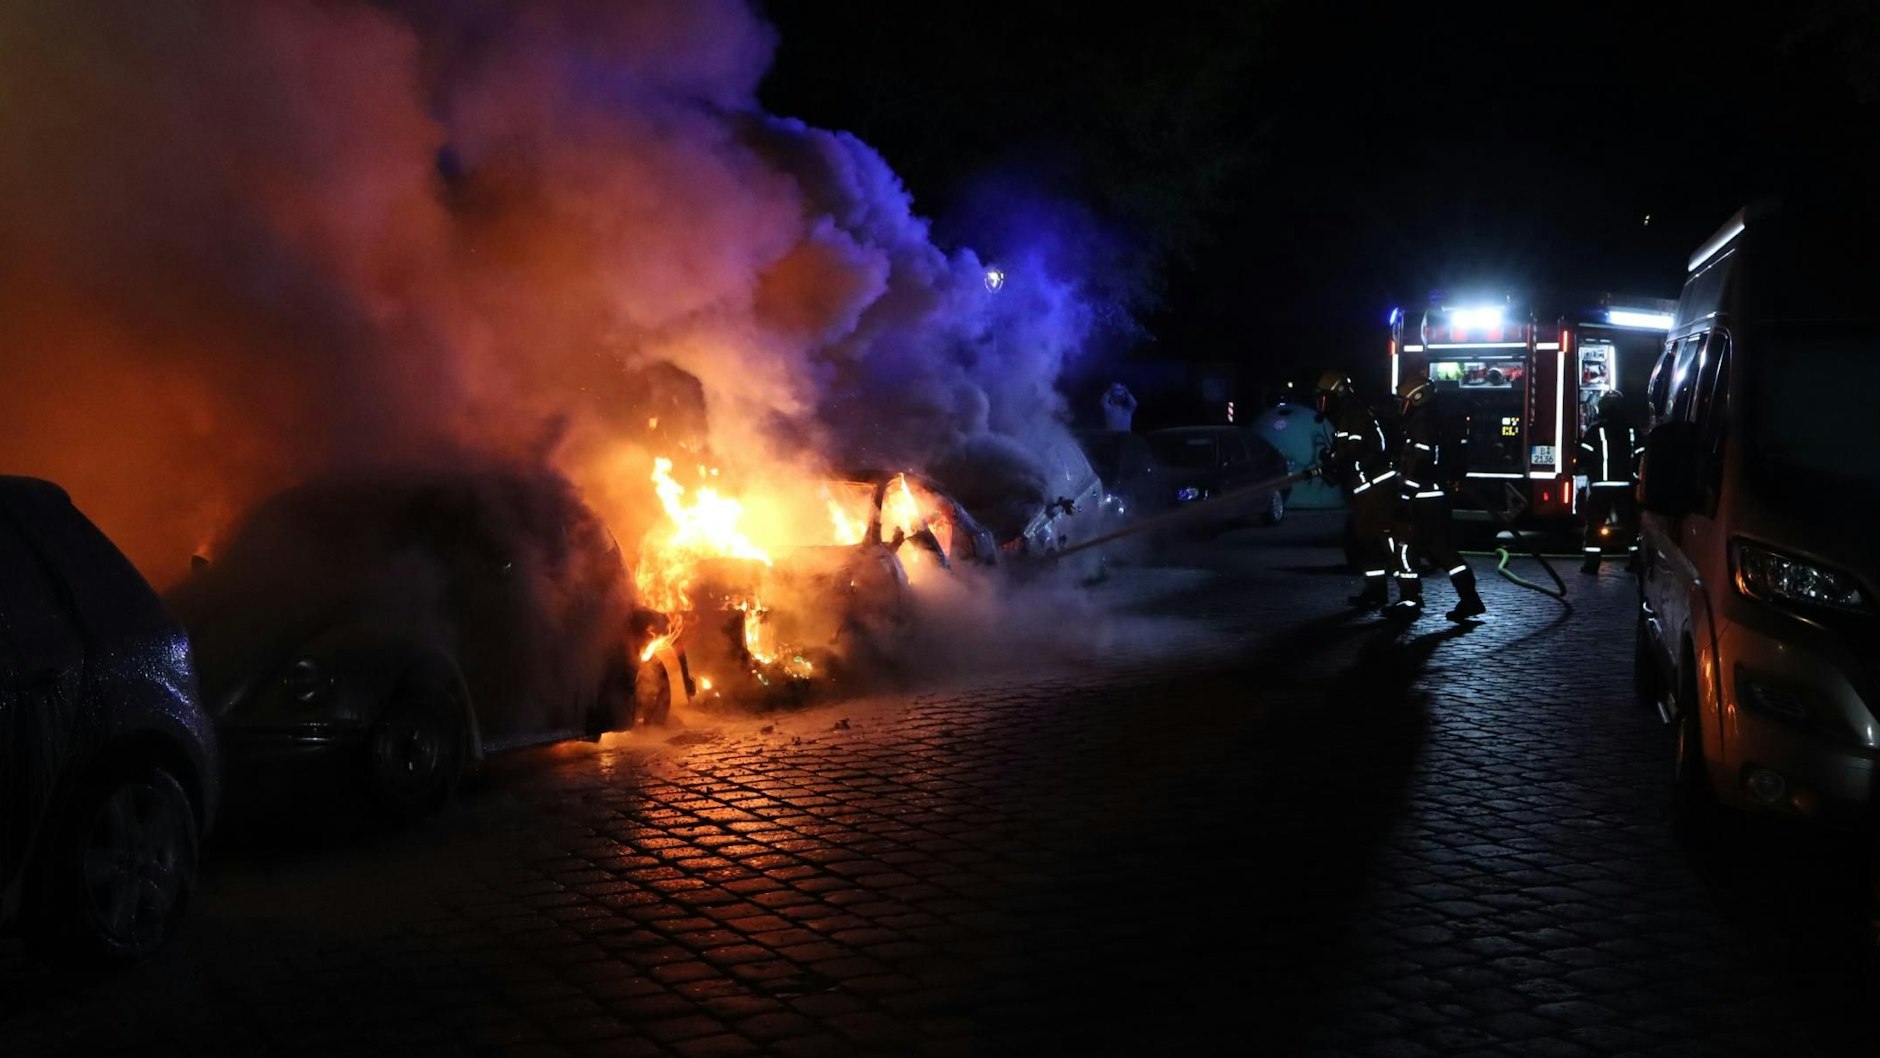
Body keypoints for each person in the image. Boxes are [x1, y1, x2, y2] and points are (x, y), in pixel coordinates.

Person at [1389, 375, 1486, 621]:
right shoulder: (1434, 421)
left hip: (1423, 499)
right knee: (1441, 550)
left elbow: (1420, 464)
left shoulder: (1421, 425)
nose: (1401, 405)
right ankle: (1470, 598)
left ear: (1417, 398)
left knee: (1405, 547)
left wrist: (1405, 495)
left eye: (1403, 400)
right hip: (1435, 497)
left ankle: (1410, 599)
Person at [1314, 371, 1397, 610]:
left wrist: (1334, 461)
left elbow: (1353, 451)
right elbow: (1345, 452)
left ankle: (1410, 594)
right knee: (1366, 540)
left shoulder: (1356, 415)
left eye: (1325, 398)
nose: (1322, 403)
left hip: (1377, 487)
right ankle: (1376, 591)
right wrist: (1332, 461)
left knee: (1385, 541)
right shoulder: (1345, 416)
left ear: (1338, 394)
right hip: (1364, 489)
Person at [1574, 390, 1642, 575]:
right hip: (1625, 486)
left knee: (1595, 526)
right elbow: (1641, 455)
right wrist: (1635, 476)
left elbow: (1583, 457)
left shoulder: (1595, 430)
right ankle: (1635, 562)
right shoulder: (1631, 429)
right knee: (1631, 526)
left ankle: (1591, 564)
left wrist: (1586, 473)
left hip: (1600, 487)